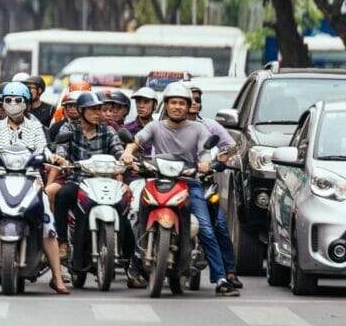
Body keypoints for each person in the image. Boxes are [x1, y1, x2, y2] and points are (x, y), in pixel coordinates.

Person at [121, 83, 240, 297]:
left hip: (189, 183)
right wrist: (128, 153)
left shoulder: (199, 129)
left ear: (188, 107)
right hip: (158, 181)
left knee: (205, 227)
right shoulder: (155, 126)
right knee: (139, 215)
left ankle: (221, 278)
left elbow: (205, 152)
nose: (177, 107)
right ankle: (136, 262)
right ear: (166, 105)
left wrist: (204, 164)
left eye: (182, 103)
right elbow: (136, 141)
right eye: (173, 103)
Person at [0, 82, 70, 294]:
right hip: (0, 177)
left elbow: (44, 150)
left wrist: (54, 157)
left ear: (26, 104)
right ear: (2, 104)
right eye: (8, 100)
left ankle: (57, 277)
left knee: (48, 223)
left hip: (31, 178)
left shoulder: (35, 127)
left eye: (18, 100)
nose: (13, 104)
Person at [51, 91, 126, 275]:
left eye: (99, 109)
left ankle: (129, 255)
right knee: (62, 195)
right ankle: (62, 241)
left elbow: (118, 150)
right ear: (81, 111)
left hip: (104, 182)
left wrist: (125, 157)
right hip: (78, 181)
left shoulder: (108, 130)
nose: (98, 113)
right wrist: (61, 160)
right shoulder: (69, 129)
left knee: (123, 207)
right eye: (93, 109)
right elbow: (61, 150)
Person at [188, 84, 241, 290]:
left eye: (196, 100)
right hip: (174, 183)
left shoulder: (209, 126)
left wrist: (218, 161)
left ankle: (228, 272)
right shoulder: (165, 127)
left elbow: (229, 145)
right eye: (187, 100)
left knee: (217, 225)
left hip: (204, 185)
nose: (192, 104)